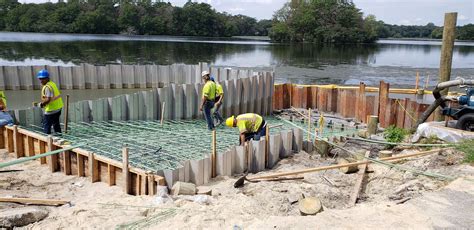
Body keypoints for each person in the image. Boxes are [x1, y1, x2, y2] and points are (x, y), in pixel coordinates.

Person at [35, 69, 64, 134]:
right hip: (58, 108)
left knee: (46, 126)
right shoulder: (52, 83)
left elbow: (48, 99)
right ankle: (59, 136)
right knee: (56, 124)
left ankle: (46, 140)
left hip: (51, 110)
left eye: (43, 79)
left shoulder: (47, 87)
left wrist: (41, 104)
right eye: (40, 79)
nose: (41, 80)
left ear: (47, 78)